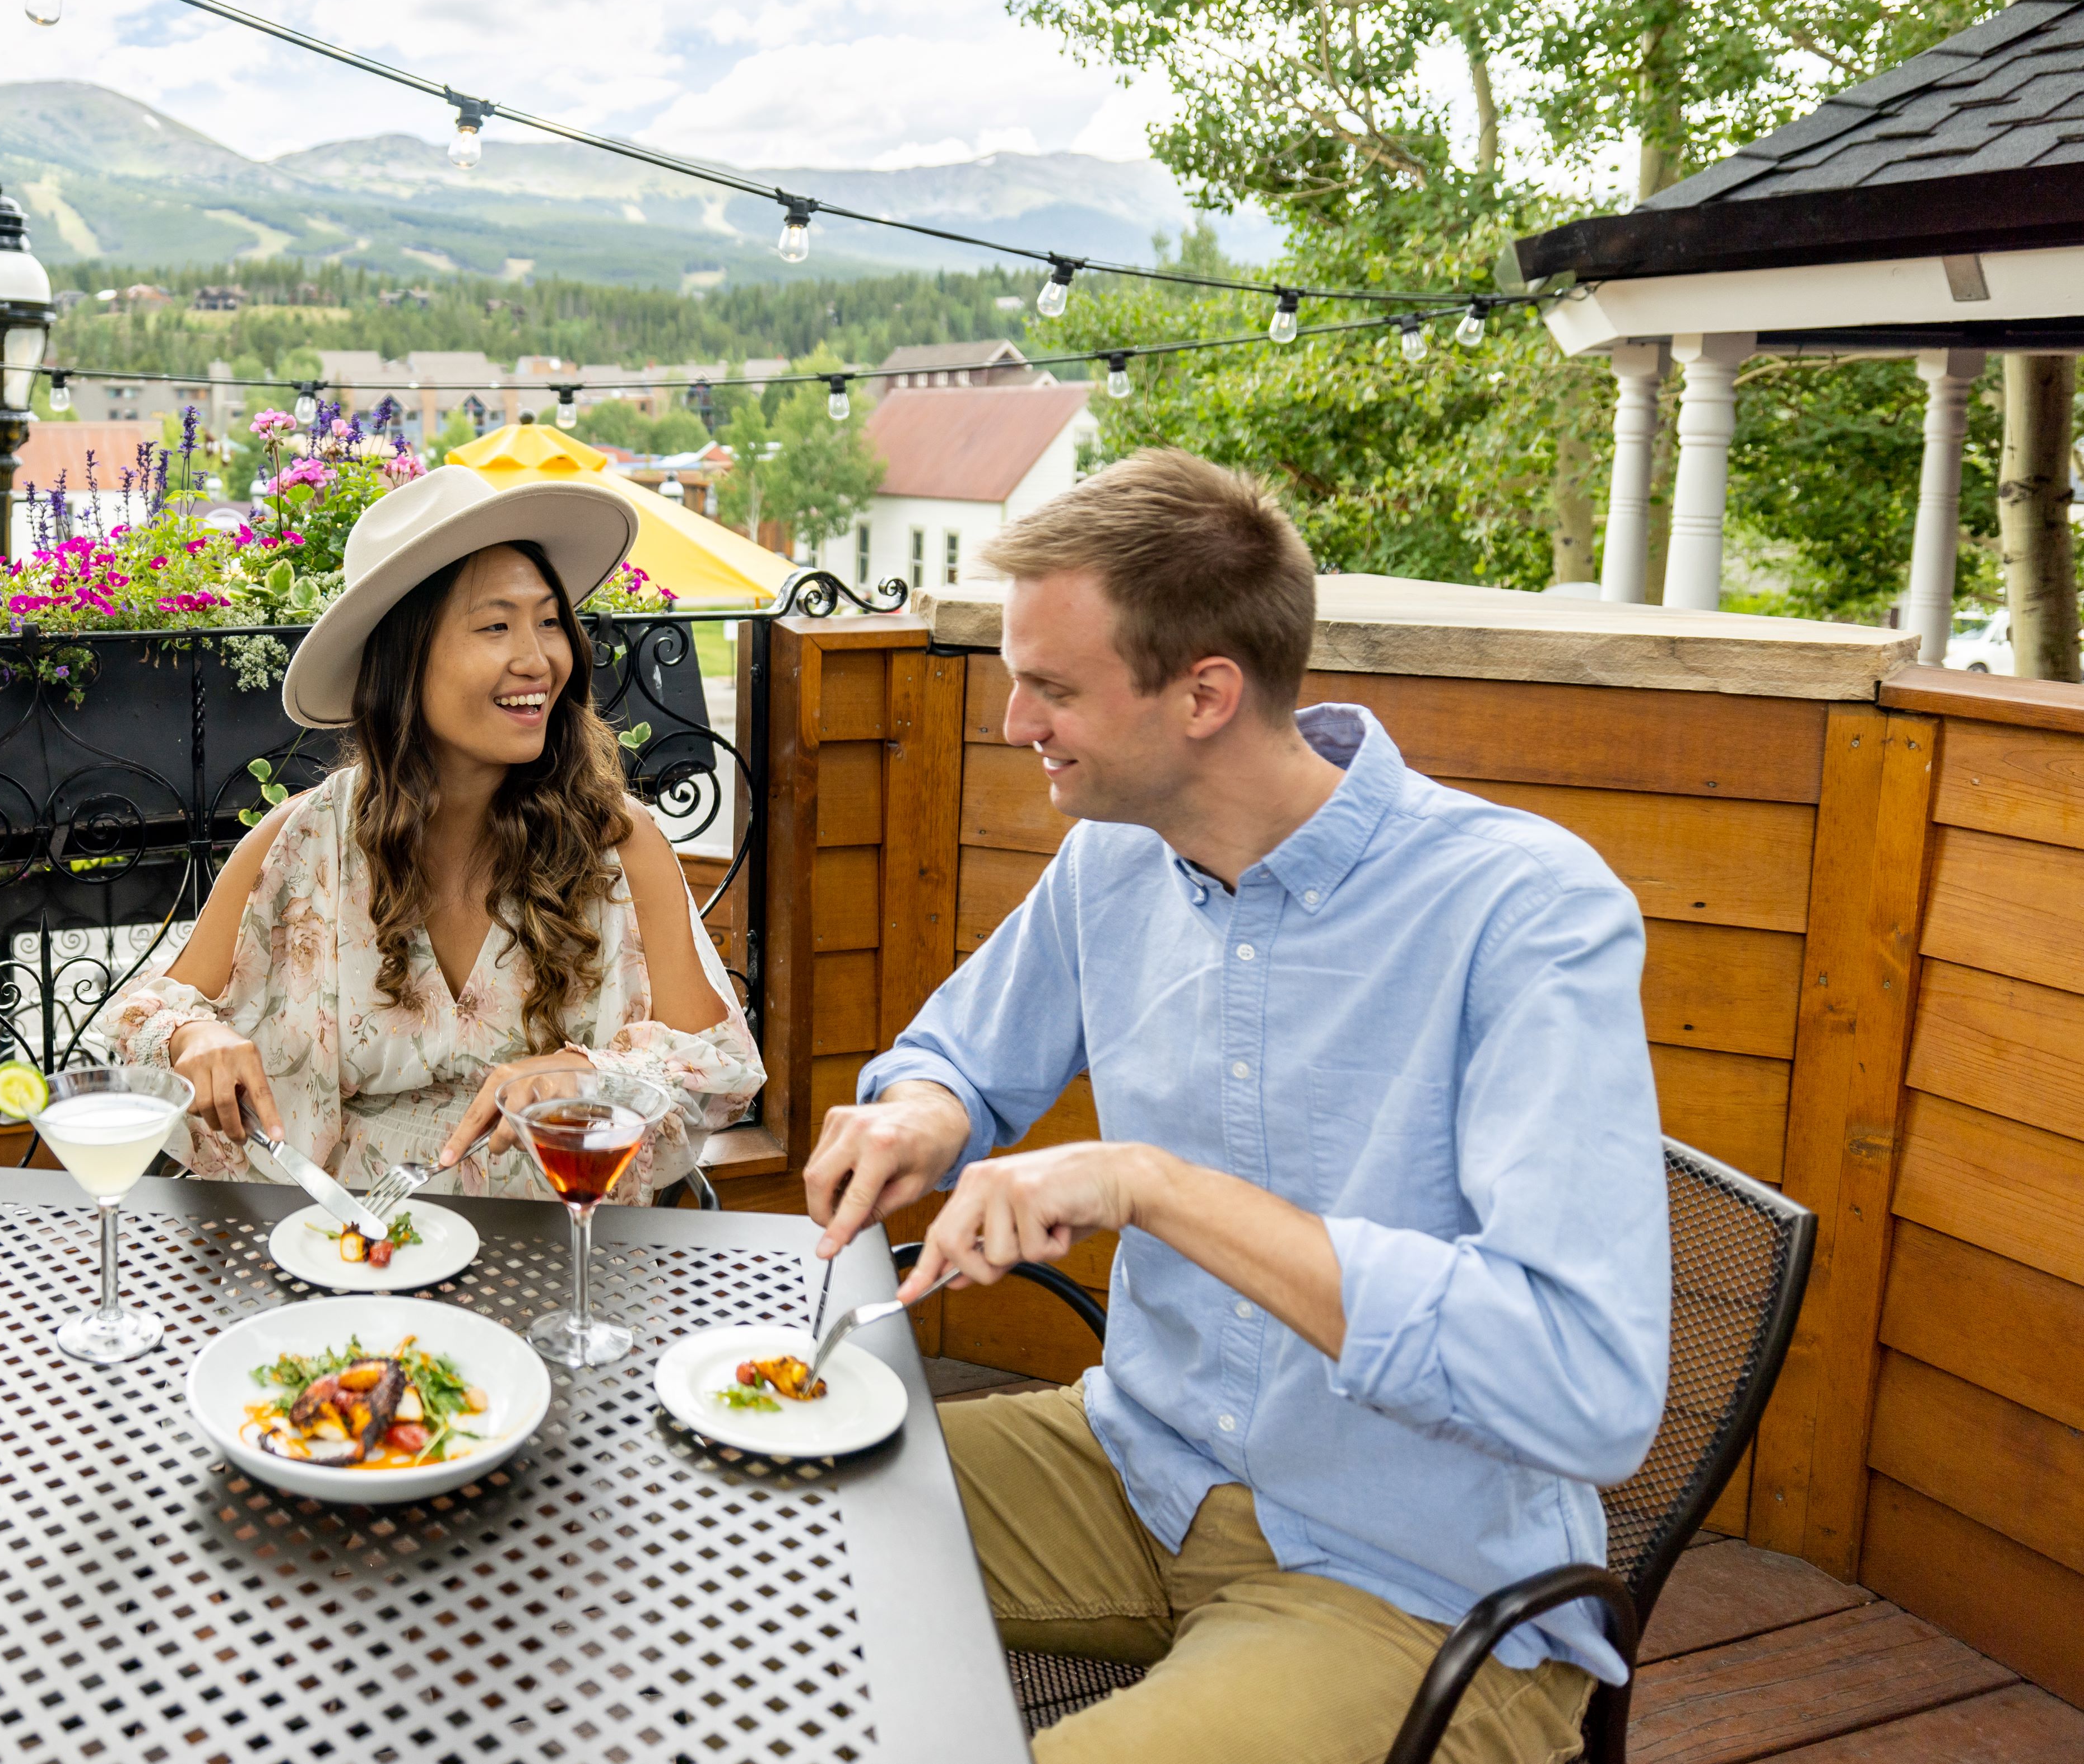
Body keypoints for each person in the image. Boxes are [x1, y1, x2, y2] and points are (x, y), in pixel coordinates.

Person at [806, 451, 1668, 1764]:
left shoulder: (1524, 912)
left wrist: (1147, 1186)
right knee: (754, 1509)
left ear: (1205, 692)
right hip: (1136, 1469)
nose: (1011, 723)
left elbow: (1586, 1386)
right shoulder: (1115, 857)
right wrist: (921, 1113)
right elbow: (964, 1060)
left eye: (1050, 688)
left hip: (1406, 1584)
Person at [101, 463, 763, 1200]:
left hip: (559, 1258)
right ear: (403, 664)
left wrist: (596, 1076)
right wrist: (196, 1038)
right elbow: (141, 1020)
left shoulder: (618, 845)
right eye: (495, 625)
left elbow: (723, 1069)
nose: (538, 658)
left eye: (549, 620)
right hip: (340, 1251)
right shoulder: (303, 841)